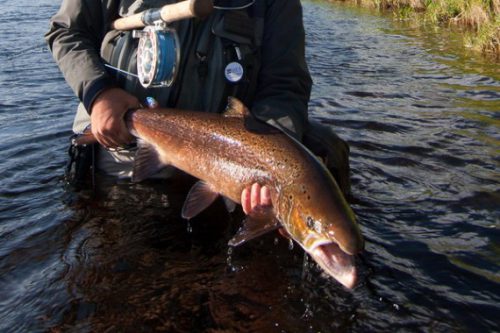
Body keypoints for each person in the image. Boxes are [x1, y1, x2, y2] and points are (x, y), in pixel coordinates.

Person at [45, 0, 350, 214]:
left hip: (219, 174)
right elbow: (67, 32)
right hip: (120, 161)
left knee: (326, 149)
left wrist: (268, 166)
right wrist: (98, 93)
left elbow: (284, 85)